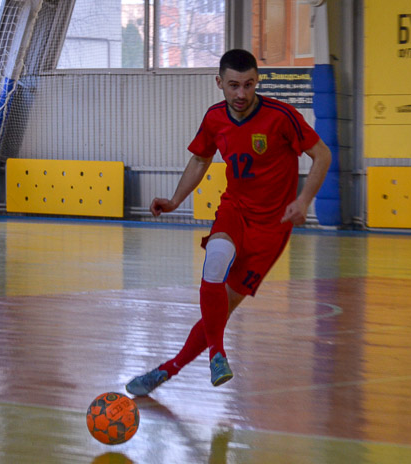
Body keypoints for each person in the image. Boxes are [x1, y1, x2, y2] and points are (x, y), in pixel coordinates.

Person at [126, 49, 331, 395]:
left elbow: (322, 154)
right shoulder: (215, 118)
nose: (241, 94)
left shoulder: (281, 116)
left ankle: (166, 370)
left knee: (223, 307)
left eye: (249, 85)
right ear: (219, 83)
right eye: (234, 85)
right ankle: (218, 354)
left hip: (272, 227)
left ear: (256, 83)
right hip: (235, 209)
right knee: (215, 261)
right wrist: (175, 200)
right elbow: (200, 159)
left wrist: (303, 200)